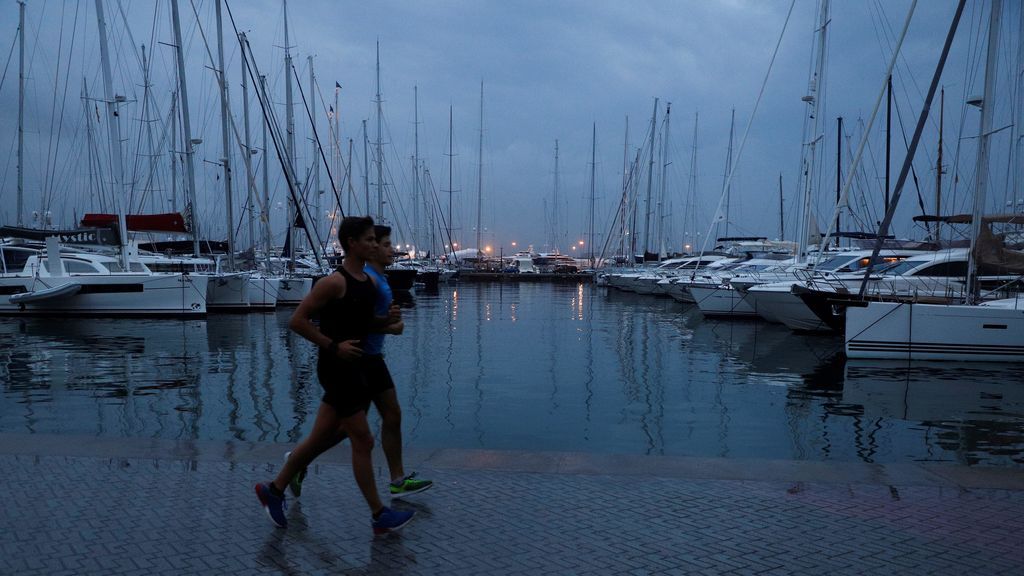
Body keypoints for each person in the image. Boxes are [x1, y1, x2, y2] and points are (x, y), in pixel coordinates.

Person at [254, 216, 414, 535]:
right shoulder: (334, 282)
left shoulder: (367, 284)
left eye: (375, 240)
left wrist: (388, 321)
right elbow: (298, 321)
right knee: (363, 439)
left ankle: (274, 489)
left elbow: (365, 325)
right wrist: (333, 346)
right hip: (336, 368)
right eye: (369, 240)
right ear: (352, 243)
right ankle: (378, 513)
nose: (374, 244)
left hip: (356, 366)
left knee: (321, 437)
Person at [285, 225, 433, 500]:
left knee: (389, 416)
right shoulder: (362, 281)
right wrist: (388, 327)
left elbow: (366, 321)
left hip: (371, 358)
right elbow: (353, 323)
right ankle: (296, 463)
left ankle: (397, 479)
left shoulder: (378, 280)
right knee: (350, 431)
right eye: (383, 244)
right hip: (359, 360)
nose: (389, 250)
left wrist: (389, 321)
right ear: (368, 246)